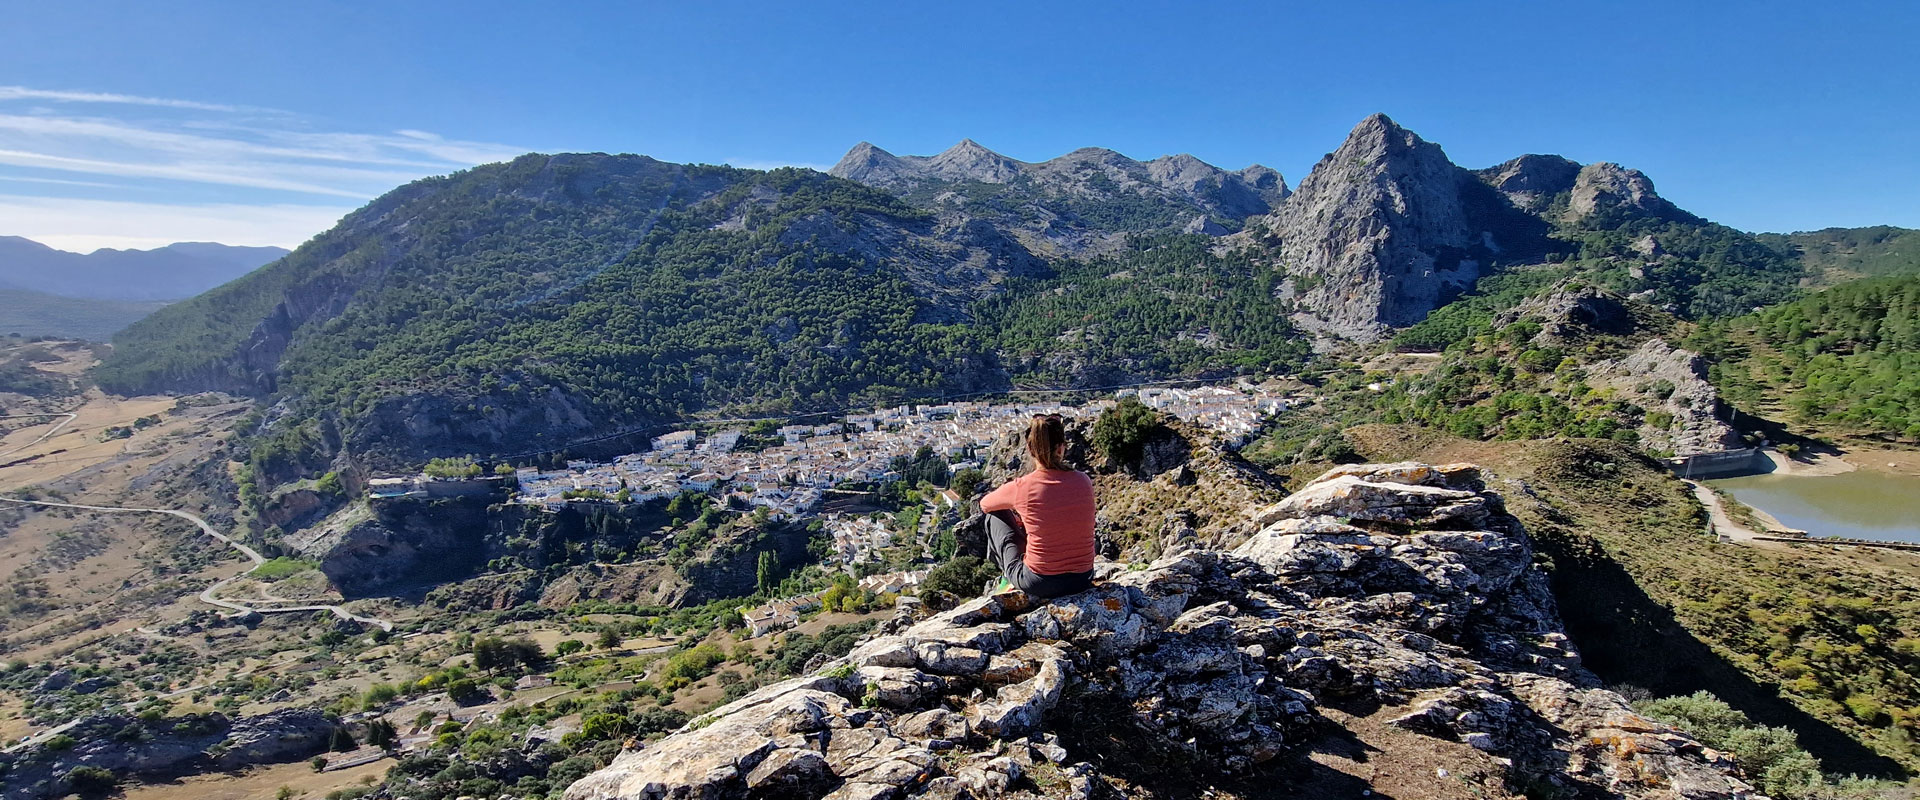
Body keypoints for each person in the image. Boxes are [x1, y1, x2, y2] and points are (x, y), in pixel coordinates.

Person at [978, 413, 1095, 598]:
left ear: (1030, 449)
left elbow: (985, 504)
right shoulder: (1084, 481)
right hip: (1083, 578)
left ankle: (1007, 576)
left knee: (994, 515)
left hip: (1040, 582)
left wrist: (1019, 514)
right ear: (1061, 448)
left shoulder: (1023, 487)